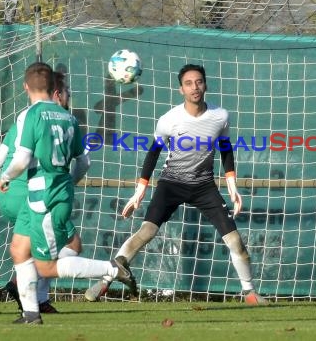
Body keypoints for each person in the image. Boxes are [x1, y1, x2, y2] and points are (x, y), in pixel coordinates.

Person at [84, 64, 267, 305]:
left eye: (199, 82)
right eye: (189, 83)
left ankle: (250, 293)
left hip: (204, 186)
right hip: (171, 183)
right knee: (147, 232)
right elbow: (153, 153)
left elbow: (225, 148)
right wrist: (140, 191)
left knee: (236, 242)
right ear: (181, 89)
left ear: (205, 85)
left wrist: (231, 184)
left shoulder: (220, 116)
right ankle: (106, 280)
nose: (195, 87)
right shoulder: (169, 119)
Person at [0, 62, 136, 324]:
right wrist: (66, 182)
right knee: (18, 250)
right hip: (54, 192)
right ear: (53, 88)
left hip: (42, 195)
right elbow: (83, 163)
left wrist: (5, 177)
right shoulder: (69, 118)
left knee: (46, 265)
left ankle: (111, 269)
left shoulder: (31, 115)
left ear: (26, 87)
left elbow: (23, 157)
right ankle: (31, 313)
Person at [0, 71, 80, 314]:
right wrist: (66, 183)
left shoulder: (24, 117)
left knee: (28, 248)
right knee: (71, 244)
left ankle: (37, 302)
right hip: (32, 191)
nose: (68, 96)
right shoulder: (59, 119)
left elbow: (0, 157)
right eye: (66, 92)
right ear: (56, 93)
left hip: (9, 194)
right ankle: (109, 271)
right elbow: (83, 161)